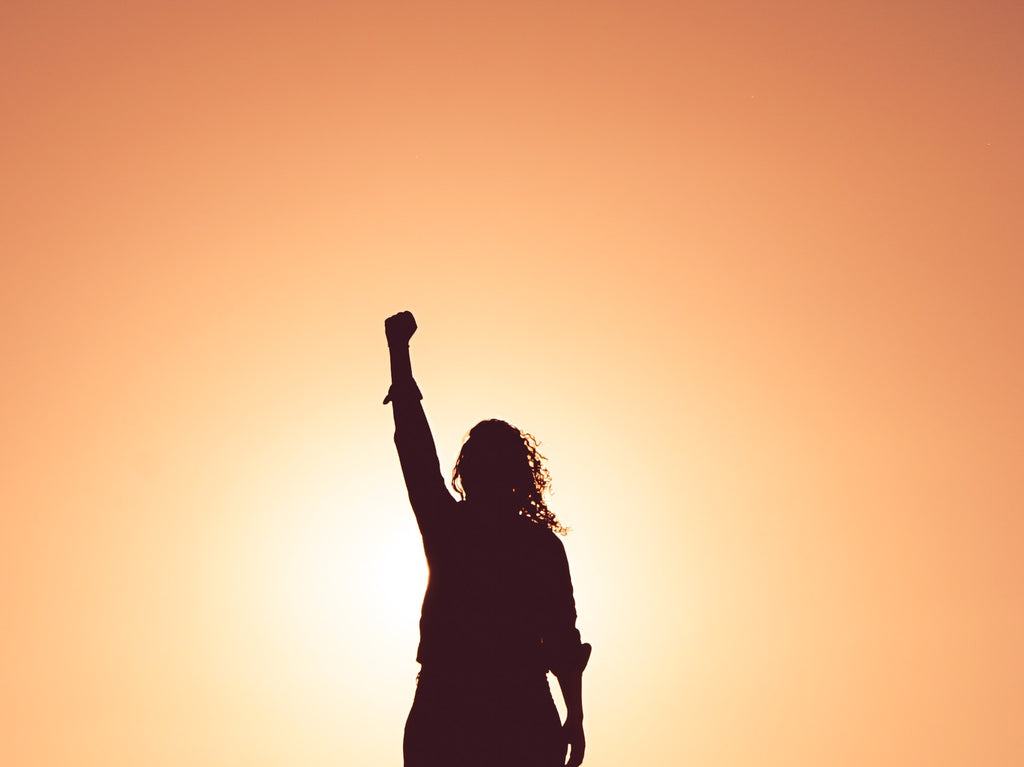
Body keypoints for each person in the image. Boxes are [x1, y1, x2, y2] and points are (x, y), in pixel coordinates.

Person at [383, 310, 591, 767]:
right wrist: (399, 357)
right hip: (470, 707)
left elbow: (561, 639)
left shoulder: (478, 534)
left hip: (493, 710)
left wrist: (574, 715)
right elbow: (413, 445)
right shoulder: (504, 539)